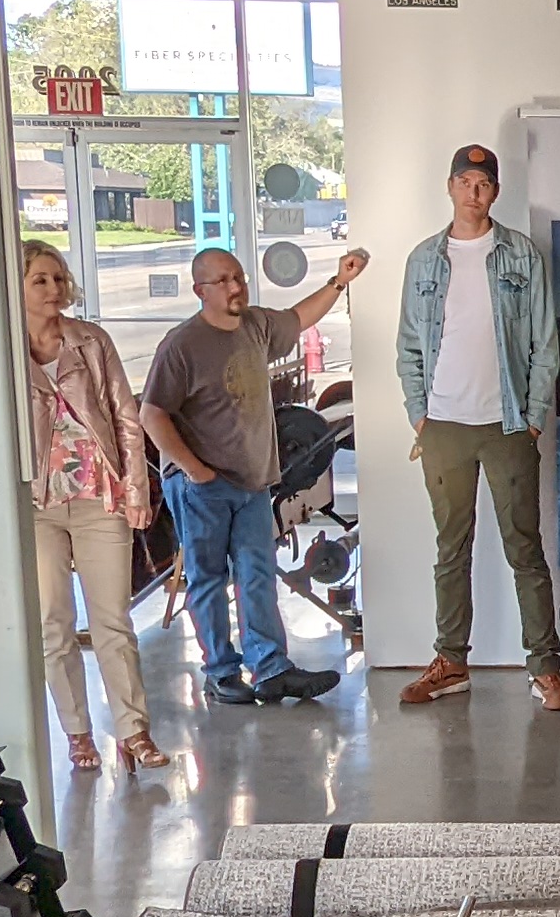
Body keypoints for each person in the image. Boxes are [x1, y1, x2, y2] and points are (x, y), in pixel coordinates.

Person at [140, 241, 369, 705]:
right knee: (208, 578)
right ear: (200, 290)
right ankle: (221, 673)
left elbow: (299, 317)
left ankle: (271, 668)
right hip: (202, 485)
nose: (235, 287)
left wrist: (339, 282)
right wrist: (195, 471)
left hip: (252, 481)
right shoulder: (182, 345)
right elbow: (152, 414)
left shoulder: (256, 325)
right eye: (223, 281)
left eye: (239, 278)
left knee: (257, 574)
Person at [393, 142, 560, 713]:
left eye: (484, 184)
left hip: (508, 425)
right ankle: (450, 663)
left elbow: (545, 344)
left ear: (496, 191)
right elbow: (408, 345)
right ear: (451, 186)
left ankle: (544, 667)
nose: (474, 192)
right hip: (443, 427)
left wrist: (533, 419)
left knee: (525, 549)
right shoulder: (423, 260)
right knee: (451, 549)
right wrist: (419, 413)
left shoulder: (521, 255)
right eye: (465, 182)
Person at [18, 238, 164, 771]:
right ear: (16, 285)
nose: (54, 288)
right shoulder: (1, 349)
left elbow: (126, 417)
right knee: (53, 623)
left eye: (58, 277)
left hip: (100, 497)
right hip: (36, 505)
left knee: (113, 620)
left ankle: (133, 730)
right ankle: (77, 732)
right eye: (40, 279)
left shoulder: (90, 341)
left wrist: (136, 491)